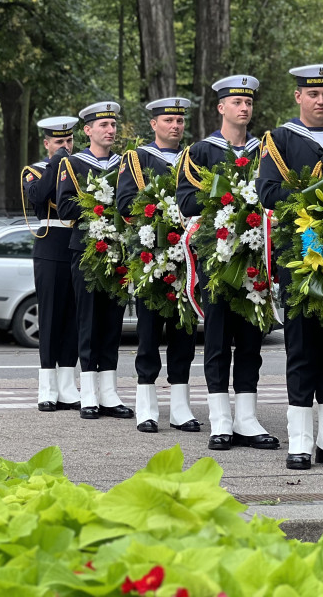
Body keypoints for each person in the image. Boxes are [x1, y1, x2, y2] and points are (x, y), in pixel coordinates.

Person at [256, 63, 323, 470]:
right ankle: (299, 439)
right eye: (313, 94)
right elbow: (266, 191)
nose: (321, 101)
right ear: (298, 97)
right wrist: (318, 197)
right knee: (300, 346)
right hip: (298, 256)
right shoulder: (280, 140)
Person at [176, 76, 279, 451]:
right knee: (217, 339)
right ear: (221, 107)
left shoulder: (266, 151)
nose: (244, 108)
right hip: (217, 257)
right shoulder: (200, 151)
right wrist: (226, 203)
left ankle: (247, 418)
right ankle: (221, 419)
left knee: (252, 339)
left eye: (248, 102)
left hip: (256, 258)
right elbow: (185, 201)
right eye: (236, 102)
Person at [115, 97, 200, 434]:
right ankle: (146, 407)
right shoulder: (136, 159)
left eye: (179, 121)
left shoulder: (193, 158)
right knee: (149, 334)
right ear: (154, 124)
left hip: (188, 259)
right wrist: (160, 215)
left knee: (185, 334)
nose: (175, 126)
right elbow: (124, 203)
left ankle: (180, 408)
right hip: (153, 256)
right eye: (168, 120)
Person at [56, 101, 133, 420]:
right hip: (85, 250)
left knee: (113, 322)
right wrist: (99, 206)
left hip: (118, 251)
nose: (110, 130)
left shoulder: (126, 163)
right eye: (103, 126)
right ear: (88, 130)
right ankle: (88, 392)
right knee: (87, 319)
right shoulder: (72, 164)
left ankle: (109, 392)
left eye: (113, 125)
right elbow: (64, 208)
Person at [21, 116, 81, 412]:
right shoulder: (35, 171)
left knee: (73, 318)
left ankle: (68, 386)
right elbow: (38, 196)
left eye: (68, 141)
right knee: (50, 317)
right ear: (47, 144)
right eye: (59, 142)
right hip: (50, 247)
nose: (65, 147)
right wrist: (57, 163)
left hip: (77, 246)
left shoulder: (81, 168)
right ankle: (47, 387)